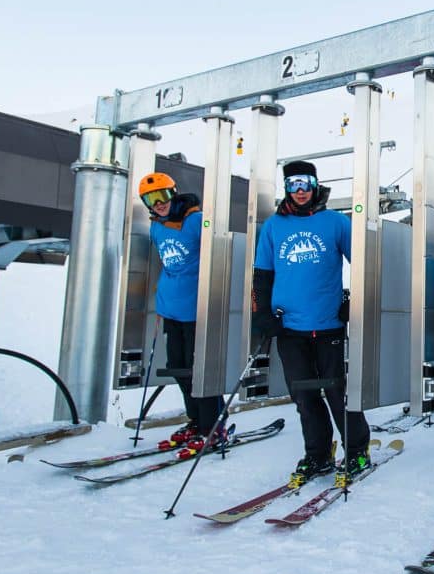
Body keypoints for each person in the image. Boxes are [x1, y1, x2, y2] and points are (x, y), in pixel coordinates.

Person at [252, 160, 370, 486]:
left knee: (337, 392)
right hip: (289, 327)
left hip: (328, 324)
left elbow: (361, 264)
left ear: (315, 185)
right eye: (293, 185)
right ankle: (318, 453)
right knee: (304, 396)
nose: (300, 191)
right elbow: (262, 275)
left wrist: (351, 301)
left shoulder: (335, 222)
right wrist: (261, 314)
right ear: (286, 188)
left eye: (305, 183)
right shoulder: (274, 226)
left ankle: (357, 448)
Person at [139, 172, 224, 454]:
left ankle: (213, 424)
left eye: (162, 196)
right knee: (178, 367)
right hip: (171, 310)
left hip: (196, 310)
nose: (158, 203)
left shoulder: (196, 220)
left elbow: (218, 251)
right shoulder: (156, 228)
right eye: (151, 199)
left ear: (173, 193)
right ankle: (196, 420)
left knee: (197, 369)